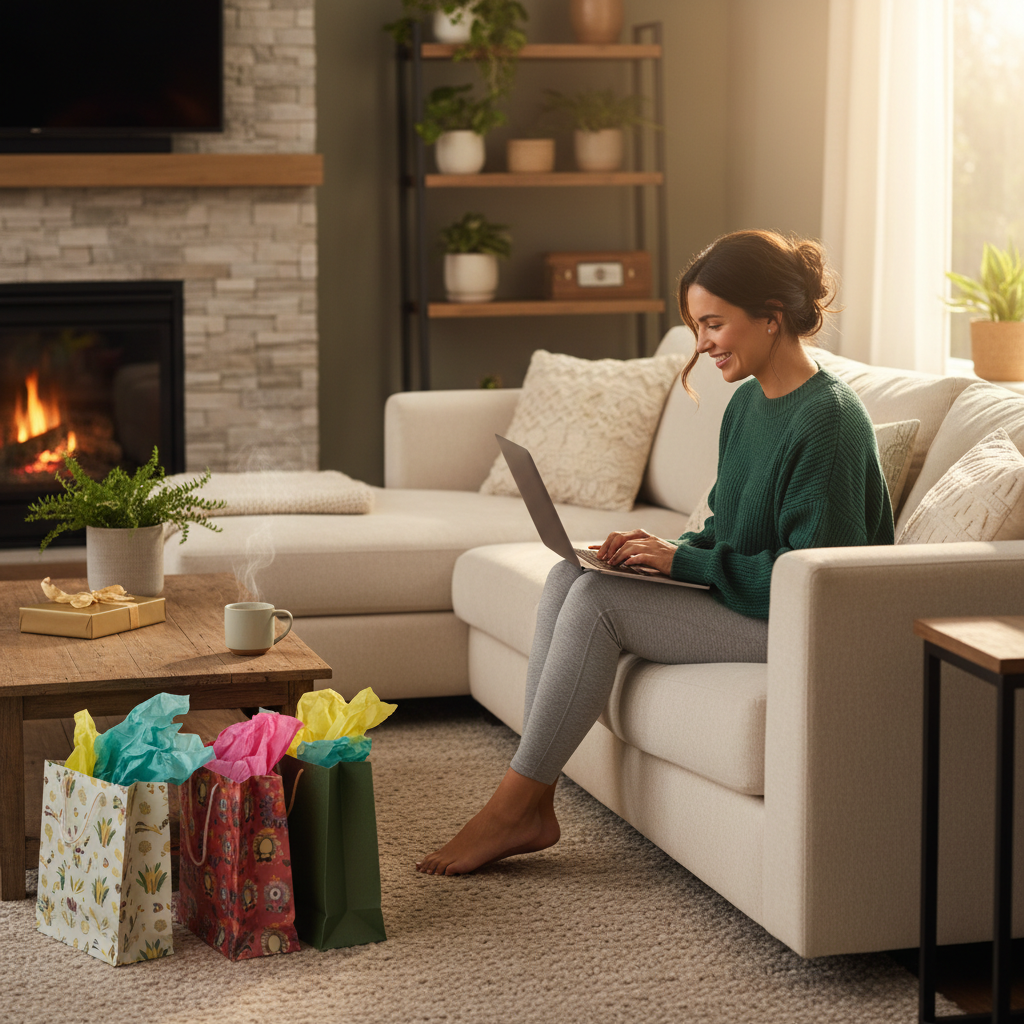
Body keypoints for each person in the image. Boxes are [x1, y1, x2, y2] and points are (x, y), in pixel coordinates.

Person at [415, 229, 895, 876]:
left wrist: (687, 565)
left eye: (713, 324)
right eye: (697, 326)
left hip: (805, 623)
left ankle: (516, 809)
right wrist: (660, 550)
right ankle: (530, 793)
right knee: (569, 576)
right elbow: (728, 529)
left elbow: (813, 579)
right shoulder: (749, 403)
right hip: (755, 598)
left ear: (771, 319)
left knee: (597, 604)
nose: (702, 345)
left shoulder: (828, 419)